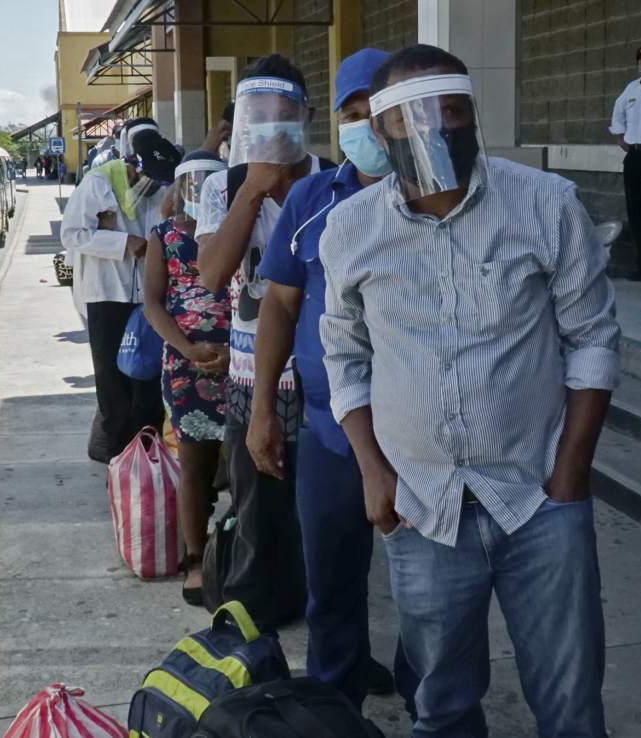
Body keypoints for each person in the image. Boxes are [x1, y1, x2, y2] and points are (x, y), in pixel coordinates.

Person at [320, 44, 620, 737]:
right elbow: (345, 354)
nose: (432, 129)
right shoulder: (352, 231)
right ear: (382, 132)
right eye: (410, 118)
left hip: (538, 499)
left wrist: (570, 476)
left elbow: (593, 338)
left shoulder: (545, 206)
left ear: (472, 116)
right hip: (423, 506)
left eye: (449, 111)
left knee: (571, 706)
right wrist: (374, 474)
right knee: (442, 706)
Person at [248, 48, 397, 707]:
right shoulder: (312, 198)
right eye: (350, 113)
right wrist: (260, 412)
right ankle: (337, 708)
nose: (363, 124)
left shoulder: (434, 196)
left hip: (420, 432)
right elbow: (279, 305)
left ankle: (431, 695)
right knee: (332, 583)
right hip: (328, 432)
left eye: (377, 110)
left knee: (433, 588)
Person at [196, 53, 333, 629]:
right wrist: (251, 192)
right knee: (256, 509)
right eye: (260, 114)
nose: (272, 125)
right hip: (251, 379)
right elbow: (210, 274)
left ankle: (329, 632)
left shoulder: (333, 179)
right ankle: (254, 635)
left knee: (325, 517)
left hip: (324, 376)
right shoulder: (221, 184)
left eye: (284, 113)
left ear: (305, 116)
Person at [62, 123, 182, 463]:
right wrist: (121, 243)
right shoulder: (99, 182)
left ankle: (148, 453)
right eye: (144, 177)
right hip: (106, 295)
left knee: (147, 377)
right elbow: (71, 234)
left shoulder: (162, 182)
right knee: (112, 381)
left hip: (148, 297)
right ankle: (118, 456)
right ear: (130, 162)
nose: (150, 186)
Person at [142, 152, 231, 605]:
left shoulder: (242, 231)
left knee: (254, 464)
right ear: (181, 189)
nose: (202, 193)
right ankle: (196, 558)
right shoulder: (166, 235)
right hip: (186, 364)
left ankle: (245, 552)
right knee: (195, 461)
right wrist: (189, 349)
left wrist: (237, 352)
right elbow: (153, 303)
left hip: (246, 363)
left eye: (211, 184)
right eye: (193, 184)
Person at [610, 41, 641, 280]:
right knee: (638, 213)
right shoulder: (631, 89)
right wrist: (623, 139)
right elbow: (617, 116)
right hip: (636, 157)